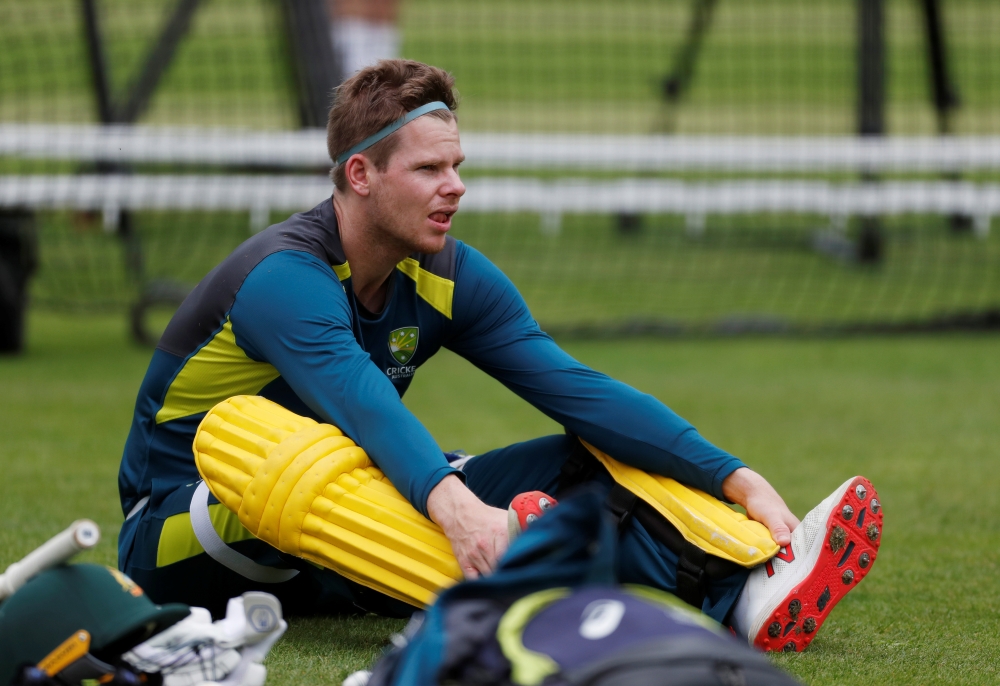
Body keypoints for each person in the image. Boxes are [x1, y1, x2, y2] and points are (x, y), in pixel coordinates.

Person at [116, 59, 880, 652]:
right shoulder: (283, 277)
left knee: (583, 459)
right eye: (429, 170)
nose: (455, 188)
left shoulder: (449, 274)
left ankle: (745, 591)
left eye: (457, 166)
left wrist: (736, 477)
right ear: (360, 174)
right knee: (283, 447)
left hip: (346, 537)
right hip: (188, 530)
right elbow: (360, 399)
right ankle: (515, 561)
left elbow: (577, 389)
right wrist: (459, 508)